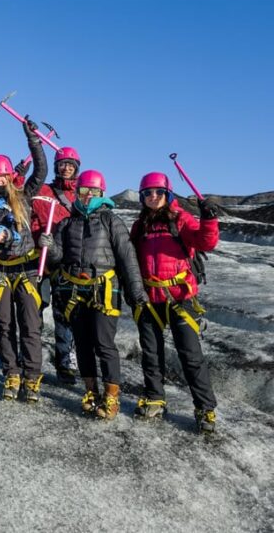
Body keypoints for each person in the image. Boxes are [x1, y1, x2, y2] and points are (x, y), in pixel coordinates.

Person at [40, 170, 148, 420]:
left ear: (102, 193)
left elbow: (127, 257)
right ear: (76, 193)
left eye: (93, 191)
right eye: (83, 191)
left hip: (104, 291)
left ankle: (111, 397)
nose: (88, 196)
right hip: (76, 293)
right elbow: (58, 258)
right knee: (83, 345)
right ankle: (91, 391)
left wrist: (136, 293)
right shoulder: (67, 223)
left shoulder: (112, 221)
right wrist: (50, 245)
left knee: (104, 343)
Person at [130, 172, 220, 433]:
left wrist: (209, 219)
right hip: (149, 299)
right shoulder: (140, 226)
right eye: (148, 193)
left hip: (180, 298)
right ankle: (155, 397)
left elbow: (206, 241)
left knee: (191, 355)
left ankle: (205, 409)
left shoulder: (181, 219)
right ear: (142, 197)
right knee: (151, 353)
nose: (153, 197)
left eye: (158, 192)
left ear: (168, 194)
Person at [0, 116, 48, 402]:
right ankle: (11, 373)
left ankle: (32, 377)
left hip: (28, 270)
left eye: (2, 176)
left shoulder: (24, 196)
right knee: (5, 324)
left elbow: (41, 170)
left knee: (30, 326)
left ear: (10, 176)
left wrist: (33, 139)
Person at [31, 146, 81, 384]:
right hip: (40, 262)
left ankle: (66, 362)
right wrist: (36, 237)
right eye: (62, 164)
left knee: (64, 315)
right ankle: (32, 358)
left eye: (71, 165)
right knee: (36, 311)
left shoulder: (81, 196)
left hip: (65, 264)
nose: (66, 168)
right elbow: (28, 212)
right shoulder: (43, 191)